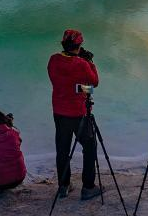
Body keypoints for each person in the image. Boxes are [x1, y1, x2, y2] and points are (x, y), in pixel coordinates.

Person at [47, 29, 101, 200]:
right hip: (79, 113)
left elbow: (59, 82)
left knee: (62, 149)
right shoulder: (82, 64)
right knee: (90, 147)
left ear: (63, 44)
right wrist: (89, 62)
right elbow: (94, 83)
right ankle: (88, 187)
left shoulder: (53, 60)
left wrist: (77, 86)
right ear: (79, 45)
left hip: (59, 111)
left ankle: (63, 186)